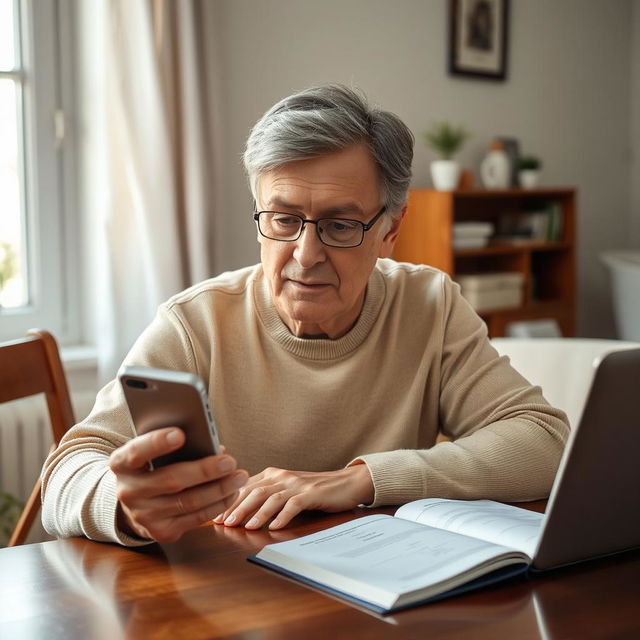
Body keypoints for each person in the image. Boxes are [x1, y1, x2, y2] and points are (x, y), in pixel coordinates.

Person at [42, 85, 569, 546]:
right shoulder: (196, 324)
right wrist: (125, 503)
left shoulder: (428, 305)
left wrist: (363, 478)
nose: (305, 253)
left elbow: (543, 441)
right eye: (284, 219)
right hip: (232, 597)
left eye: (340, 225)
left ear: (390, 228)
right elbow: (65, 475)